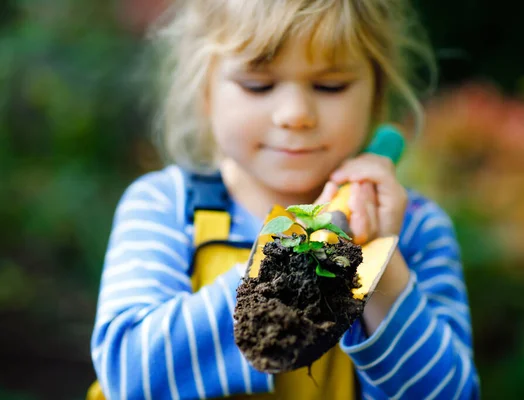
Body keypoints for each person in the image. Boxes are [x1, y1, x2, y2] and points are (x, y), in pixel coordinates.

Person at [89, 0, 480, 398]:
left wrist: (383, 266)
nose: (295, 114)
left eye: (331, 86)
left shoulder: (416, 228)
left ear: (376, 95)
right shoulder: (166, 206)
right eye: (258, 85)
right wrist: (289, 274)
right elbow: (129, 377)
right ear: (205, 92)